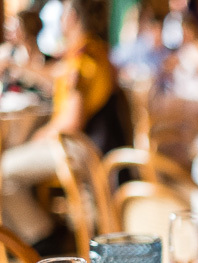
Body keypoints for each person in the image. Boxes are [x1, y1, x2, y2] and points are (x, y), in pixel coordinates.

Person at [0, 0, 119, 247]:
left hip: (79, 147)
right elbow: (56, 76)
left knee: (4, 170)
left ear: (72, 17)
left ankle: (43, 239)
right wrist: (19, 67)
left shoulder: (84, 58)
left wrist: (43, 134)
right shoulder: (88, 51)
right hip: (82, 144)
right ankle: (36, 236)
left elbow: (70, 122)